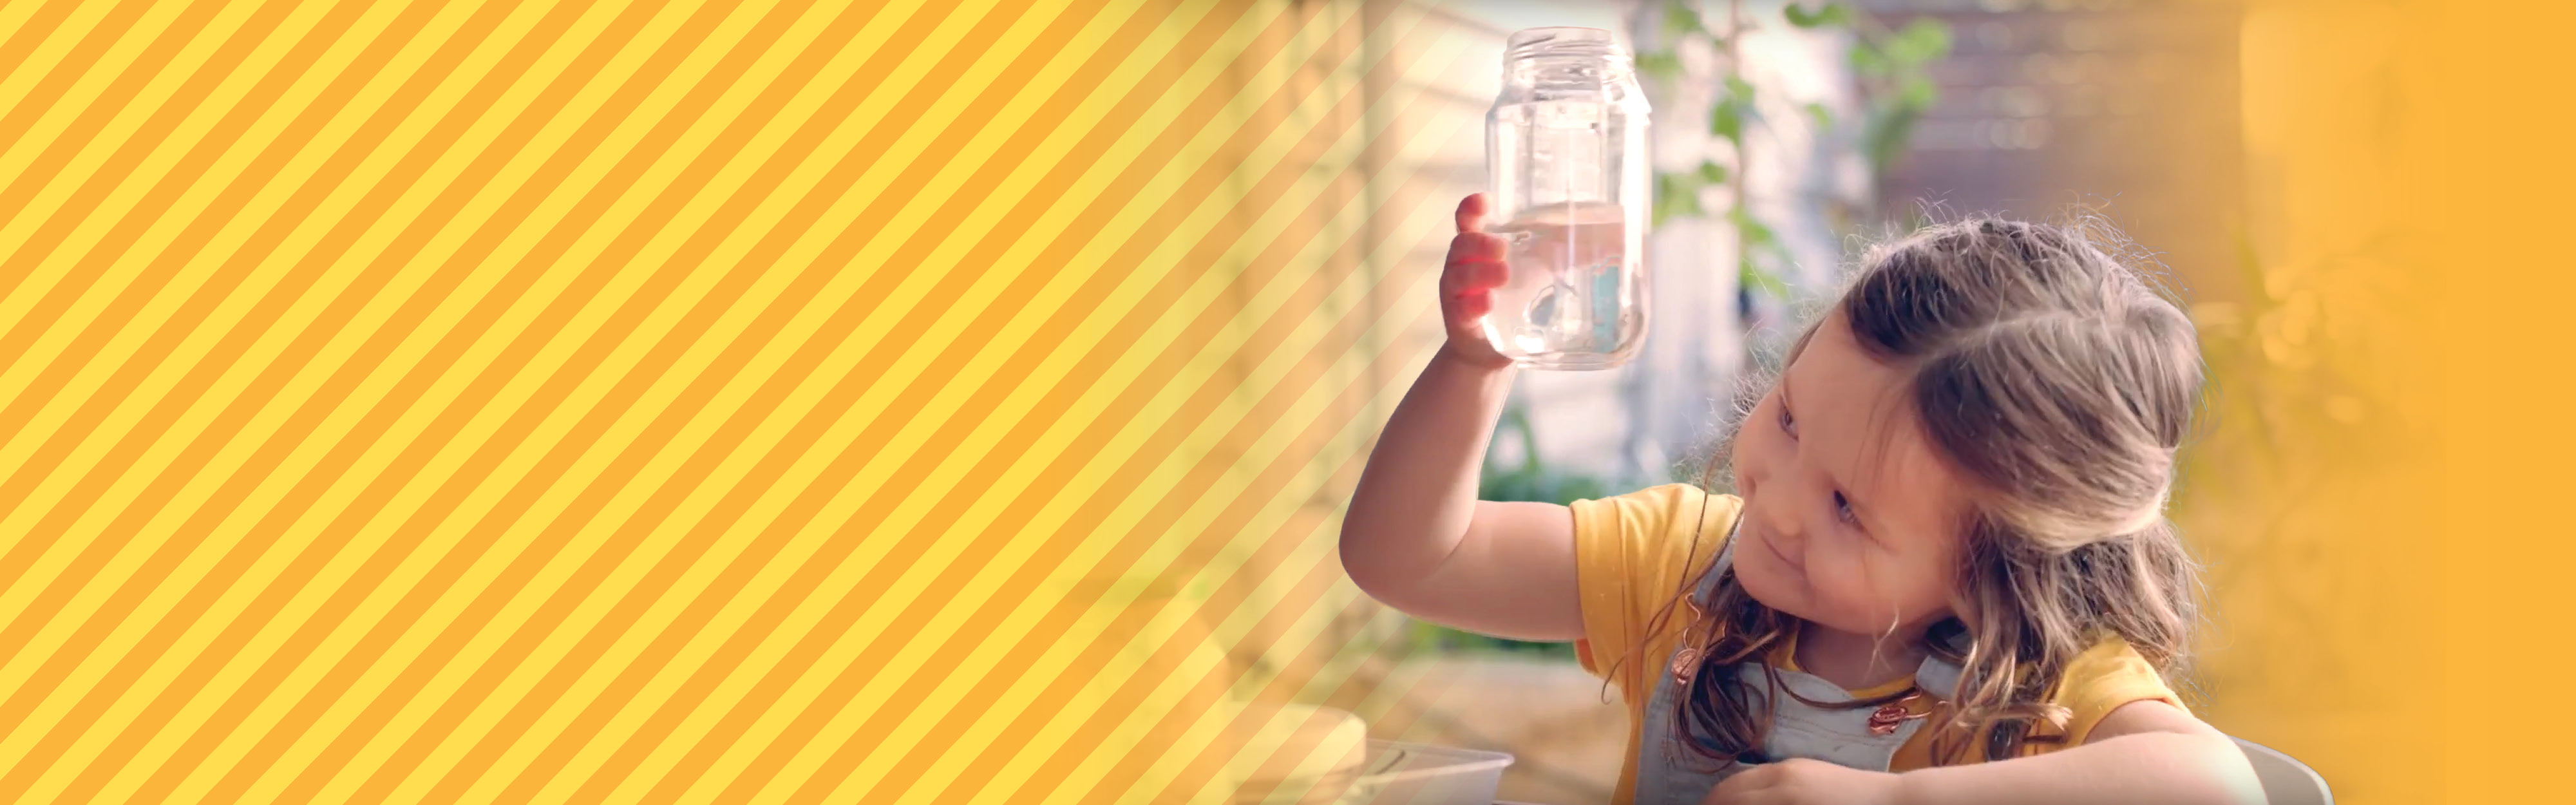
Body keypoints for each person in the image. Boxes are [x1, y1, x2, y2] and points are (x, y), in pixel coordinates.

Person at [1339, 194, 2265, 805]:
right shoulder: (1682, 566)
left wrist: (1891, 799)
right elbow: (1408, 558)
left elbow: (2220, 787)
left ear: (1999, 558)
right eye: (1787, 419)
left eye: (1848, 507)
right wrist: (1477, 363)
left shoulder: (2038, 689)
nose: (1778, 505)